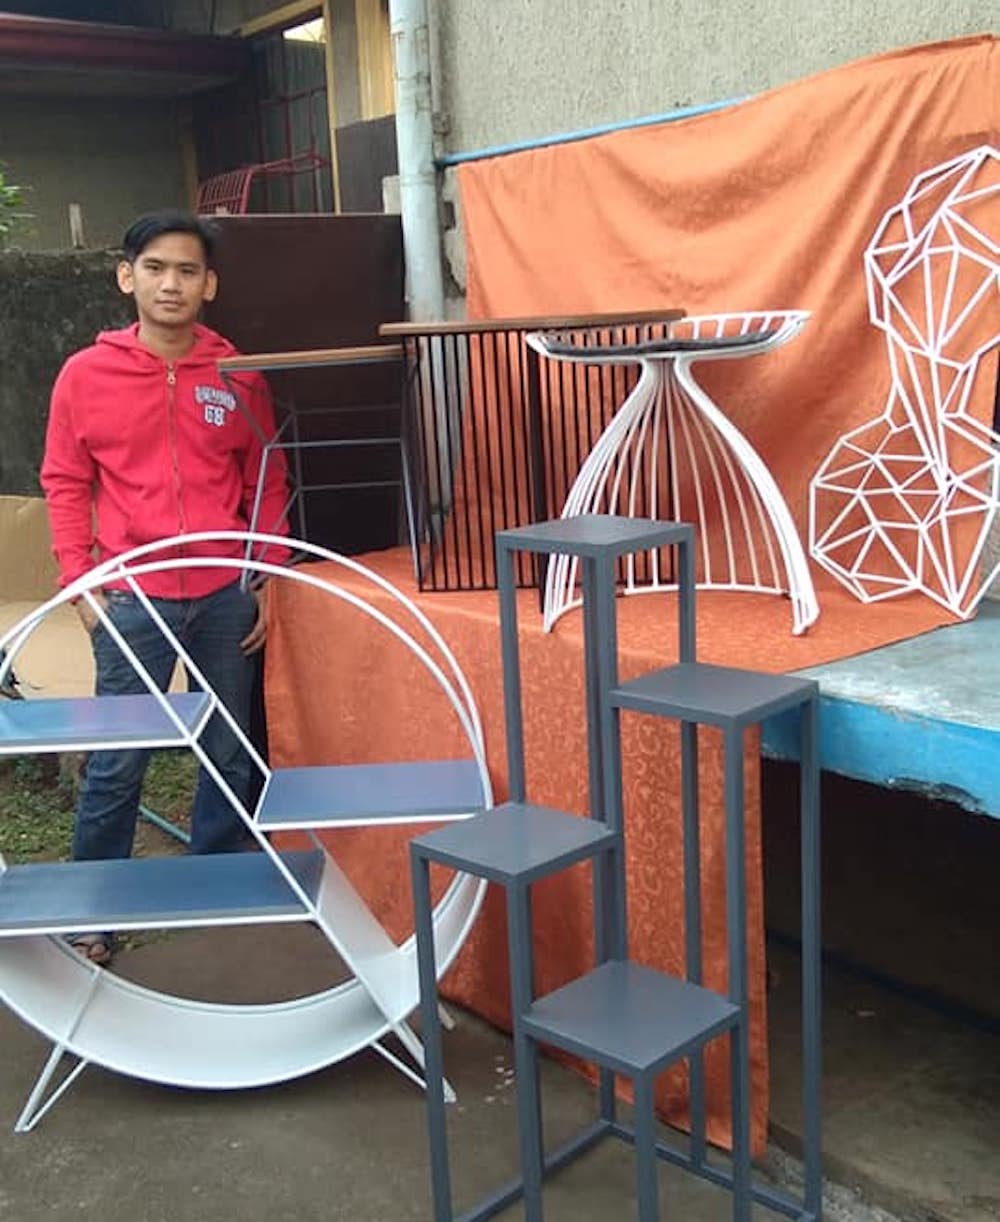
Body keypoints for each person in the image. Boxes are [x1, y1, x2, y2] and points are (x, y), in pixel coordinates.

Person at [40, 209, 289, 964]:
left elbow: (266, 475)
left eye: (187, 270)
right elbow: (62, 479)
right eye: (155, 268)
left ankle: (213, 888)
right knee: (120, 758)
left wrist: (265, 576)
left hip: (223, 597)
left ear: (209, 284)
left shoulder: (238, 374)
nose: (170, 283)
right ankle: (95, 910)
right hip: (131, 601)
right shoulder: (86, 375)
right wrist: (80, 583)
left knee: (230, 748)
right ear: (127, 277)